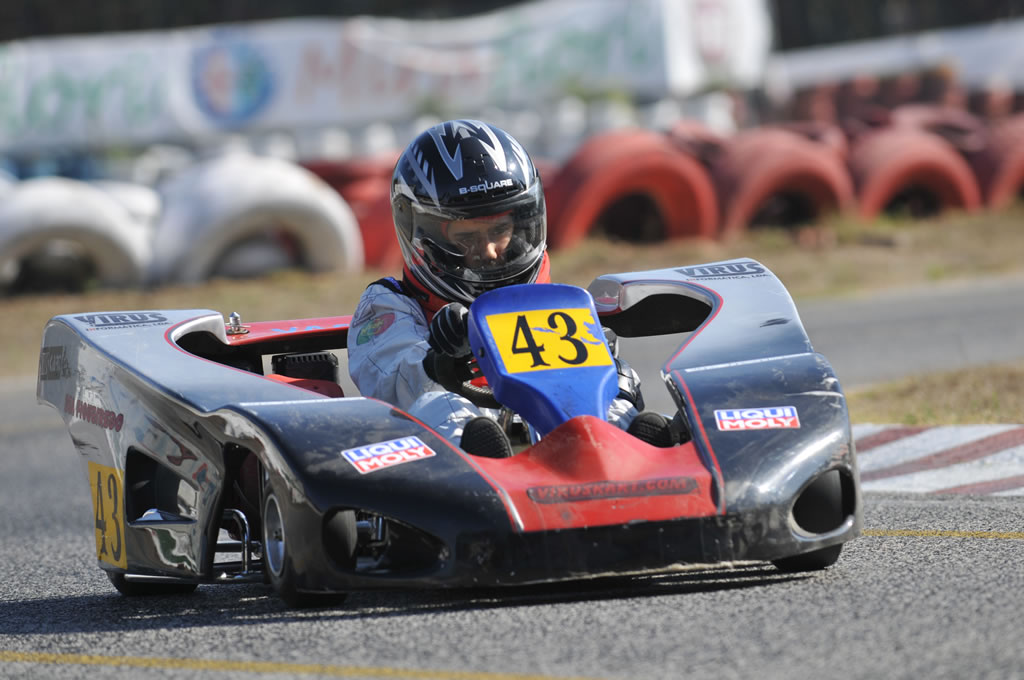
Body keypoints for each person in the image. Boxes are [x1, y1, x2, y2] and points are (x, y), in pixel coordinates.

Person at [347, 119, 675, 457]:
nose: (489, 251)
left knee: (612, 400)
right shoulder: (388, 302)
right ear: (425, 237)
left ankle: (640, 462)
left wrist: (611, 378)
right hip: (442, 461)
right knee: (441, 406)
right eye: (467, 237)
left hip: (557, 437)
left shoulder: (551, 301)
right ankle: (486, 465)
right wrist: (437, 362)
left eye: (498, 231)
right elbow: (388, 379)